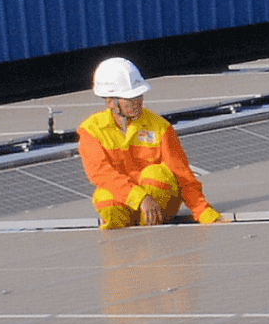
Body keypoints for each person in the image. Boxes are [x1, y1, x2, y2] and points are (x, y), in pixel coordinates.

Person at [78, 57, 219, 228]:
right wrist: (141, 198)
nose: (138, 101)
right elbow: (102, 175)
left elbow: (182, 174)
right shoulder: (91, 130)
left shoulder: (159, 127)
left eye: (139, 95)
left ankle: (150, 229)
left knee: (156, 175)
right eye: (130, 98)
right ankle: (125, 238)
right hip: (129, 201)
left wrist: (204, 213)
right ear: (110, 101)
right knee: (105, 197)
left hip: (162, 201)